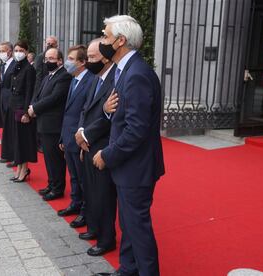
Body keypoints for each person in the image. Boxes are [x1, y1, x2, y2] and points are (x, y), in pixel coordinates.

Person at [93, 15, 165, 276]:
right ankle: (127, 271)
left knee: (137, 227)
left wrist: (108, 155)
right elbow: (123, 114)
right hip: (129, 166)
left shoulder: (136, 74)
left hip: (135, 167)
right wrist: (107, 109)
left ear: (120, 41)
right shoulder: (126, 69)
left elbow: (137, 129)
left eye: (106, 36)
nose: (103, 41)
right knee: (129, 223)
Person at [75, 38, 117, 257]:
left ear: (106, 58)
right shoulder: (94, 77)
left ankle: (106, 238)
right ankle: (94, 228)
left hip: (103, 145)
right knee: (90, 190)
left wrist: (85, 134)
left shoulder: (115, 80)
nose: (88, 62)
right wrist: (82, 134)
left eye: (92, 58)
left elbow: (108, 117)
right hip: (88, 142)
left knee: (104, 195)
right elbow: (86, 109)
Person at [58, 45, 95, 229]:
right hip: (68, 136)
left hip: (79, 138)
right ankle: (75, 203)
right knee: (73, 175)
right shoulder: (73, 80)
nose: (67, 62)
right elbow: (67, 112)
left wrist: (82, 139)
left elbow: (86, 112)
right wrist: (62, 138)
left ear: (82, 63)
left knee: (83, 178)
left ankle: (85, 212)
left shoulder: (90, 81)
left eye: (71, 59)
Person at [28, 48, 72, 201]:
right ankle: (51, 184)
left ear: (60, 60)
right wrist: (32, 106)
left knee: (56, 159)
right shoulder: (48, 76)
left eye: (52, 59)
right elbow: (39, 94)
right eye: (46, 59)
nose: (48, 62)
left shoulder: (64, 76)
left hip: (54, 126)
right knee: (48, 158)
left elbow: (54, 98)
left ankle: (57, 188)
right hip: (44, 123)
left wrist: (35, 108)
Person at [6, 40, 37, 182]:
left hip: (21, 109)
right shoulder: (16, 66)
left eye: (21, 50)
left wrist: (26, 112)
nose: (18, 53)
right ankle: (19, 168)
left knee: (22, 141)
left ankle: (24, 169)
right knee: (16, 141)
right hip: (13, 107)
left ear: (26, 51)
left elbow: (30, 92)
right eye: (16, 50)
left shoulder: (29, 69)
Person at [0, 41, 17, 167]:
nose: (1, 53)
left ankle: (16, 157)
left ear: (10, 51)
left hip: (12, 100)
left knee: (13, 129)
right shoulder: (3, 66)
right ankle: (7, 154)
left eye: (3, 51)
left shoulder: (15, 65)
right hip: (3, 99)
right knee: (6, 127)